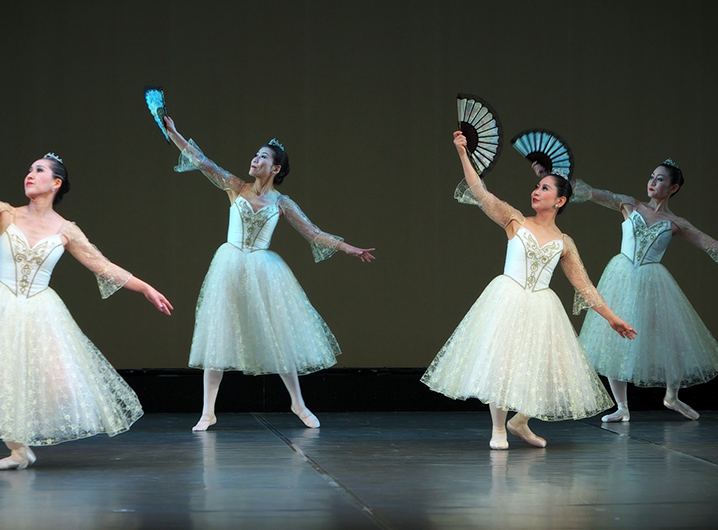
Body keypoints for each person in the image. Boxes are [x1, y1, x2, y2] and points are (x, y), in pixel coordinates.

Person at [0, 137, 173, 470]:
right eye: (29, 170)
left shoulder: (67, 230)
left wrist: (145, 288)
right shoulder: (5, 213)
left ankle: (23, 442)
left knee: (60, 383)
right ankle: (18, 450)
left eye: (39, 170)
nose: (30, 174)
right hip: (1, 304)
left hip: (41, 309)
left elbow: (103, 265)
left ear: (56, 183)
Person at [422, 131, 637, 450]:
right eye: (537, 186)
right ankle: (498, 429)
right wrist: (463, 154)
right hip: (508, 297)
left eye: (545, 188)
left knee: (548, 369)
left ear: (560, 200)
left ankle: (520, 421)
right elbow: (480, 192)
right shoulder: (515, 220)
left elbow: (584, 285)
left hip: (542, 306)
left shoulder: (564, 243)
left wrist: (612, 318)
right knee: (502, 362)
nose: (536, 191)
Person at [163, 116, 374, 432]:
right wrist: (175, 133)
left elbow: (313, 233)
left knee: (279, 335)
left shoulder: (282, 203)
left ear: (275, 168)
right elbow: (203, 162)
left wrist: (349, 248)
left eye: (263, 157)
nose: (255, 159)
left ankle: (298, 404)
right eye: (255, 154)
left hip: (263, 271)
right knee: (218, 333)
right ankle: (207, 412)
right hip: (229, 266)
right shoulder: (236, 187)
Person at [569, 160, 718, 422]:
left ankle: (671, 396)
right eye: (651, 176)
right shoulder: (629, 204)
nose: (652, 182)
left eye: (660, 179)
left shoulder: (676, 223)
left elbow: (709, 244)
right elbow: (589, 192)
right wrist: (552, 176)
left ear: (673, 188)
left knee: (674, 338)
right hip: (621, 276)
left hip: (653, 282)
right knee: (613, 338)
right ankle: (622, 407)